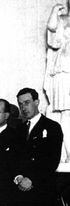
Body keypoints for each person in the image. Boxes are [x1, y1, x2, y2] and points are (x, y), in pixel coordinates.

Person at [44, 2, 70, 163]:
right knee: (65, 114)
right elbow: (53, 40)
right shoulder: (62, 19)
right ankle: (64, 154)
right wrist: (54, 12)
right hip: (64, 71)